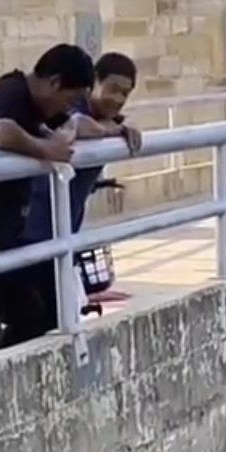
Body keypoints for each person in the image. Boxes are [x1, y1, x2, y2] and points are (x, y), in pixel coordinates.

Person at [0, 45, 96, 362]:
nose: (66, 107)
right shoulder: (11, 91)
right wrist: (46, 149)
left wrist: (118, 129)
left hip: (7, 224)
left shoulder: (38, 107)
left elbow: (75, 123)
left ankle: (3, 368)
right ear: (54, 82)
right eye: (69, 97)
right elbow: (1, 132)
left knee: (35, 313)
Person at [21, 51, 142, 331]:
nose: (118, 99)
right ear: (93, 83)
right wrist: (116, 129)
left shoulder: (107, 118)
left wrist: (122, 124)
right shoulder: (72, 107)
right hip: (34, 228)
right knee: (41, 321)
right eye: (113, 89)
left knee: (58, 318)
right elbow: (75, 126)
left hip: (62, 232)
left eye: (126, 93)